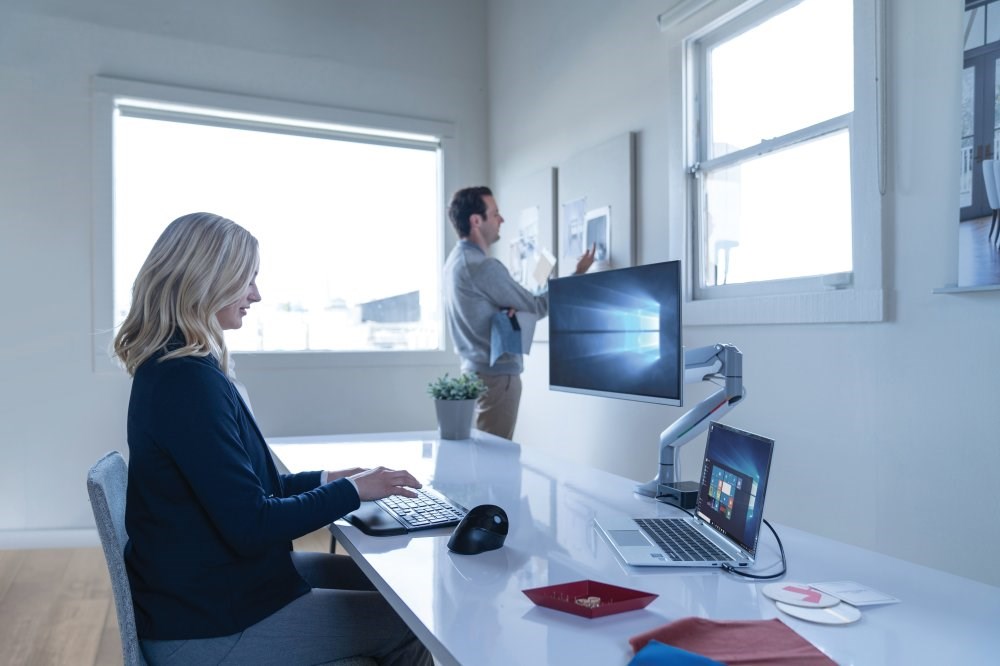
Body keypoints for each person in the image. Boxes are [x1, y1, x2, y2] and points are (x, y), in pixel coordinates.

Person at [112, 212, 433, 666]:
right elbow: (253, 525)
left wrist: (330, 478)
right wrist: (353, 491)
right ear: (206, 280)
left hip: (213, 590)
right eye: (247, 280)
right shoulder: (185, 383)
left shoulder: (179, 369)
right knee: (406, 623)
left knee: (387, 585)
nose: (256, 295)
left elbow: (249, 494)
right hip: (207, 626)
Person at [444, 186, 596, 440]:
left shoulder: (455, 262)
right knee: (495, 461)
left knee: (483, 456)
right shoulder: (483, 267)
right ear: (475, 221)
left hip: (473, 372)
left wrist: (508, 308)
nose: (501, 220)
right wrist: (577, 276)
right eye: (495, 214)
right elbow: (536, 307)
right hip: (496, 380)